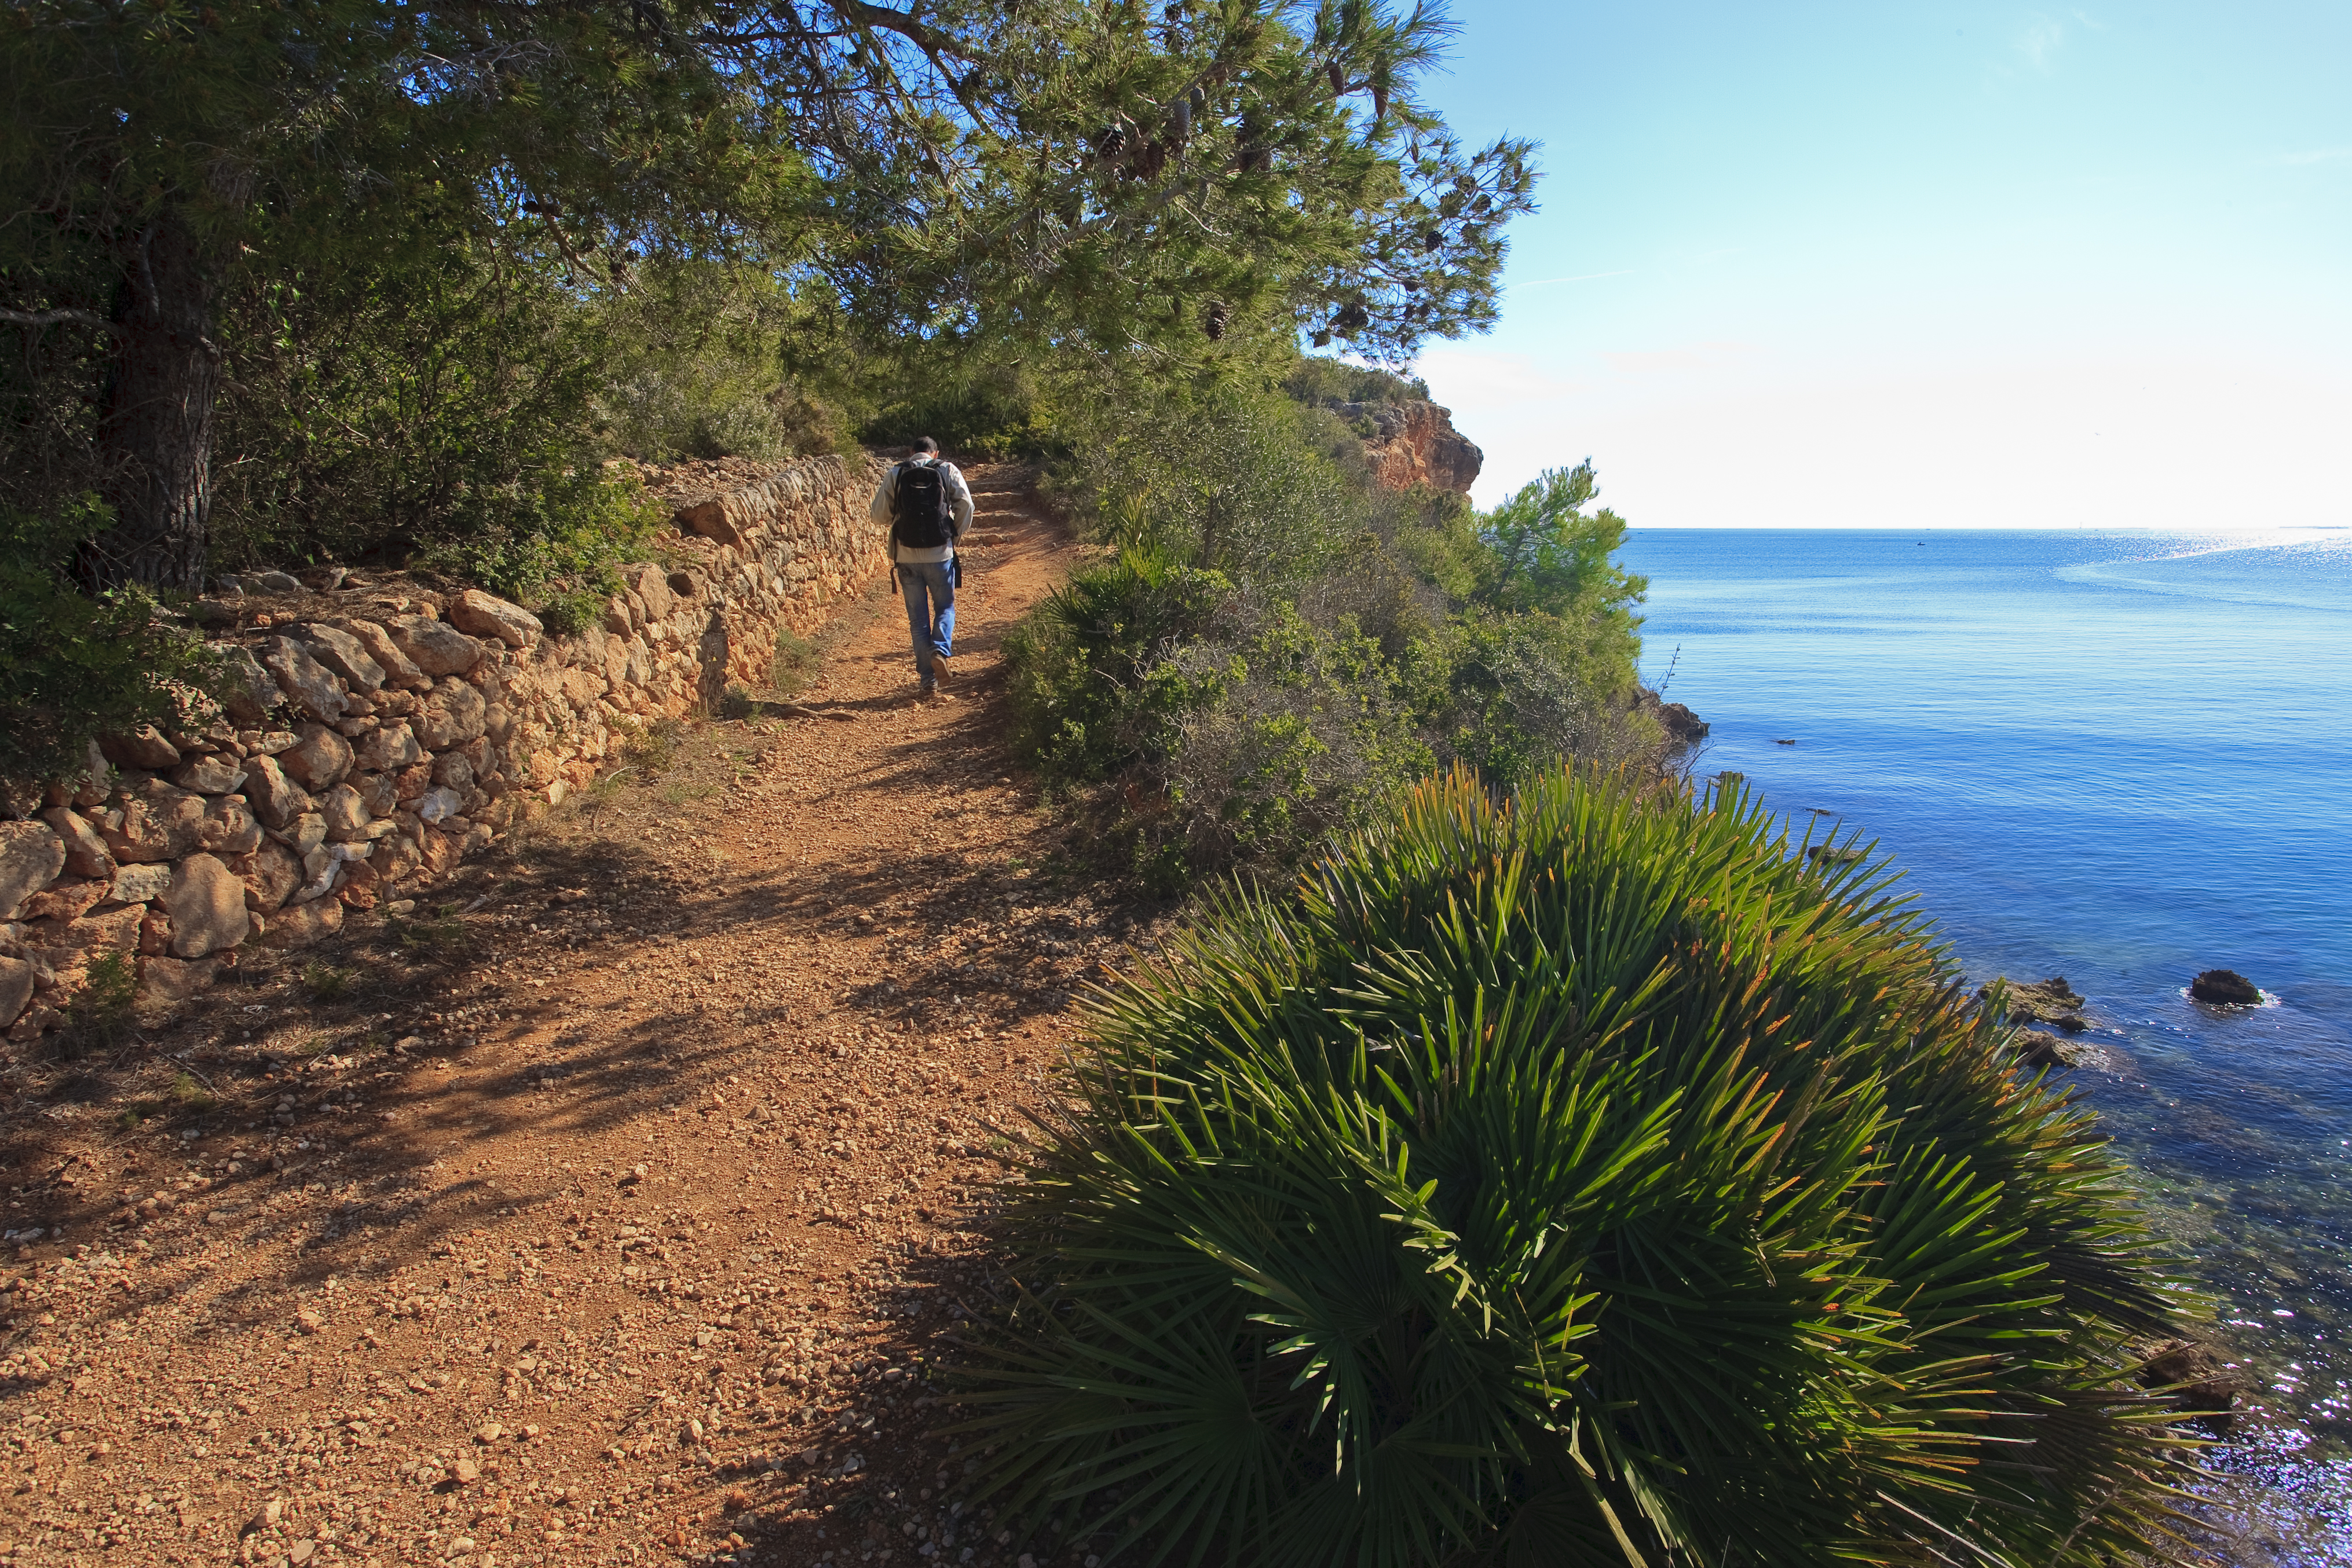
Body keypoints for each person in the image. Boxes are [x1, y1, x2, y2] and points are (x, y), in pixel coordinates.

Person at [869, 437, 975, 697]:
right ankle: (940, 651)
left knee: (918, 621)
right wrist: (954, 534)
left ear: (911, 452)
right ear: (935, 452)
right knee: (945, 607)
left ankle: (928, 681)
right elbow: (966, 505)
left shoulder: (897, 472)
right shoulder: (947, 469)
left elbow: (878, 516)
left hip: (906, 556)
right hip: (940, 554)